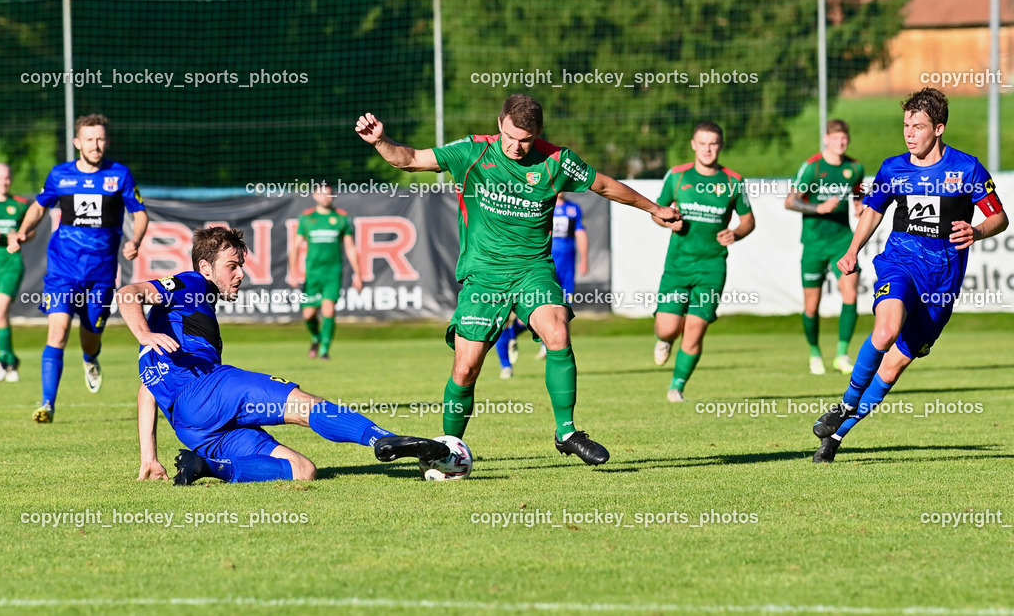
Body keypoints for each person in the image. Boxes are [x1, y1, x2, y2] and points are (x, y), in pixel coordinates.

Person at [355, 94, 681, 465]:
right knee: (465, 369)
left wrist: (655, 209)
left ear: (538, 133)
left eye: (525, 139)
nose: (515, 146)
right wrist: (381, 141)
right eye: (510, 136)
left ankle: (567, 431)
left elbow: (604, 186)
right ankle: (447, 448)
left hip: (533, 270)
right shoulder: (473, 152)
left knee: (557, 331)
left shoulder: (557, 161)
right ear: (500, 124)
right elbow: (411, 160)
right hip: (484, 276)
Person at [124, 226, 451, 485]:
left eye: (241, 266)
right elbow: (128, 293)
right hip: (208, 390)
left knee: (302, 469)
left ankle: (207, 467)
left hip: (191, 427)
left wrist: (149, 458)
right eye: (232, 266)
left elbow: (145, 391)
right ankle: (381, 439)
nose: (240, 275)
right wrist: (143, 334)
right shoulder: (192, 283)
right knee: (303, 404)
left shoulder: (170, 330)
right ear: (206, 267)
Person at [811, 88, 1007, 463]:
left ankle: (836, 436)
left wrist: (978, 231)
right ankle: (844, 404)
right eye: (905, 125)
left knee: (894, 366)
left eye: (918, 126)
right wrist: (852, 250)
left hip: (942, 282)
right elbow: (873, 210)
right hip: (899, 262)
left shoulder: (967, 168)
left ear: (939, 128)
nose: (909, 133)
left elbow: (999, 217)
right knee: (884, 331)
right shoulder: (892, 168)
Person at [9, 114, 149, 423]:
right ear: (77, 143)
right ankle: (47, 404)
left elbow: (139, 214)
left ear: (106, 141)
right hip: (62, 270)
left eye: (100, 139)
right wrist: (23, 230)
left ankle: (90, 358)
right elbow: (38, 206)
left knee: (90, 337)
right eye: (89, 140)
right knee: (57, 332)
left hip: (100, 274)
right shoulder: (60, 175)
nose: (95, 145)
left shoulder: (120, 175)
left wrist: (135, 240)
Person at [652, 122, 755, 402]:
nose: (708, 148)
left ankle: (677, 386)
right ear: (693, 145)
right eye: (703, 143)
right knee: (668, 327)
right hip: (678, 266)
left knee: (695, 329)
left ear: (720, 145)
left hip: (712, 268)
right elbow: (656, 211)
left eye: (713, 143)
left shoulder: (733, 181)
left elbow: (748, 221)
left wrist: (736, 232)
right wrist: (666, 222)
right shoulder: (676, 176)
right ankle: (664, 340)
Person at [784, 119, 865, 375]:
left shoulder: (854, 168)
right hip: (814, 243)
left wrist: (859, 205)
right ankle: (814, 353)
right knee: (812, 305)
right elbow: (790, 201)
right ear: (826, 139)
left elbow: (857, 192)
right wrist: (818, 208)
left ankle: (842, 354)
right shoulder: (812, 167)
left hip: (842, 241)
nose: (840, 142)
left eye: (844, 138)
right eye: (835, 138)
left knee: (850, 294)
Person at [495, 192, 589, 377]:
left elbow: (581, 233)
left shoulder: (573, 209)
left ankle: (546, 345)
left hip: (565, 271)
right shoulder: (535, 206)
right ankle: (507, 362)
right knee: (510, 316)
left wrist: (584, 259)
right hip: (537, 270)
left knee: (560, 312)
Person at [287, 183, 361, 360]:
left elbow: (350, 247)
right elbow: (296, 246)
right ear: (315, 196)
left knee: (328, 309)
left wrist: (358, 273)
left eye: (329, 194)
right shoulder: (306, 219)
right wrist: (292, 271)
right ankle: (315, 337)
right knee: (309, 313)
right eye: (322, 194)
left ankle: (324, 350)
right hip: (312, 273)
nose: (326, 197)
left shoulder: (341, 218)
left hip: (333, 272)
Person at [0, 163, 30, 382]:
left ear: (11, 179)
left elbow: (30, 231)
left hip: (10, 265)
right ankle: (10, 357)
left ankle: (2, 361)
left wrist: (21, 236)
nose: (3, 182)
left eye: (6, 178)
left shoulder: (20, 205)